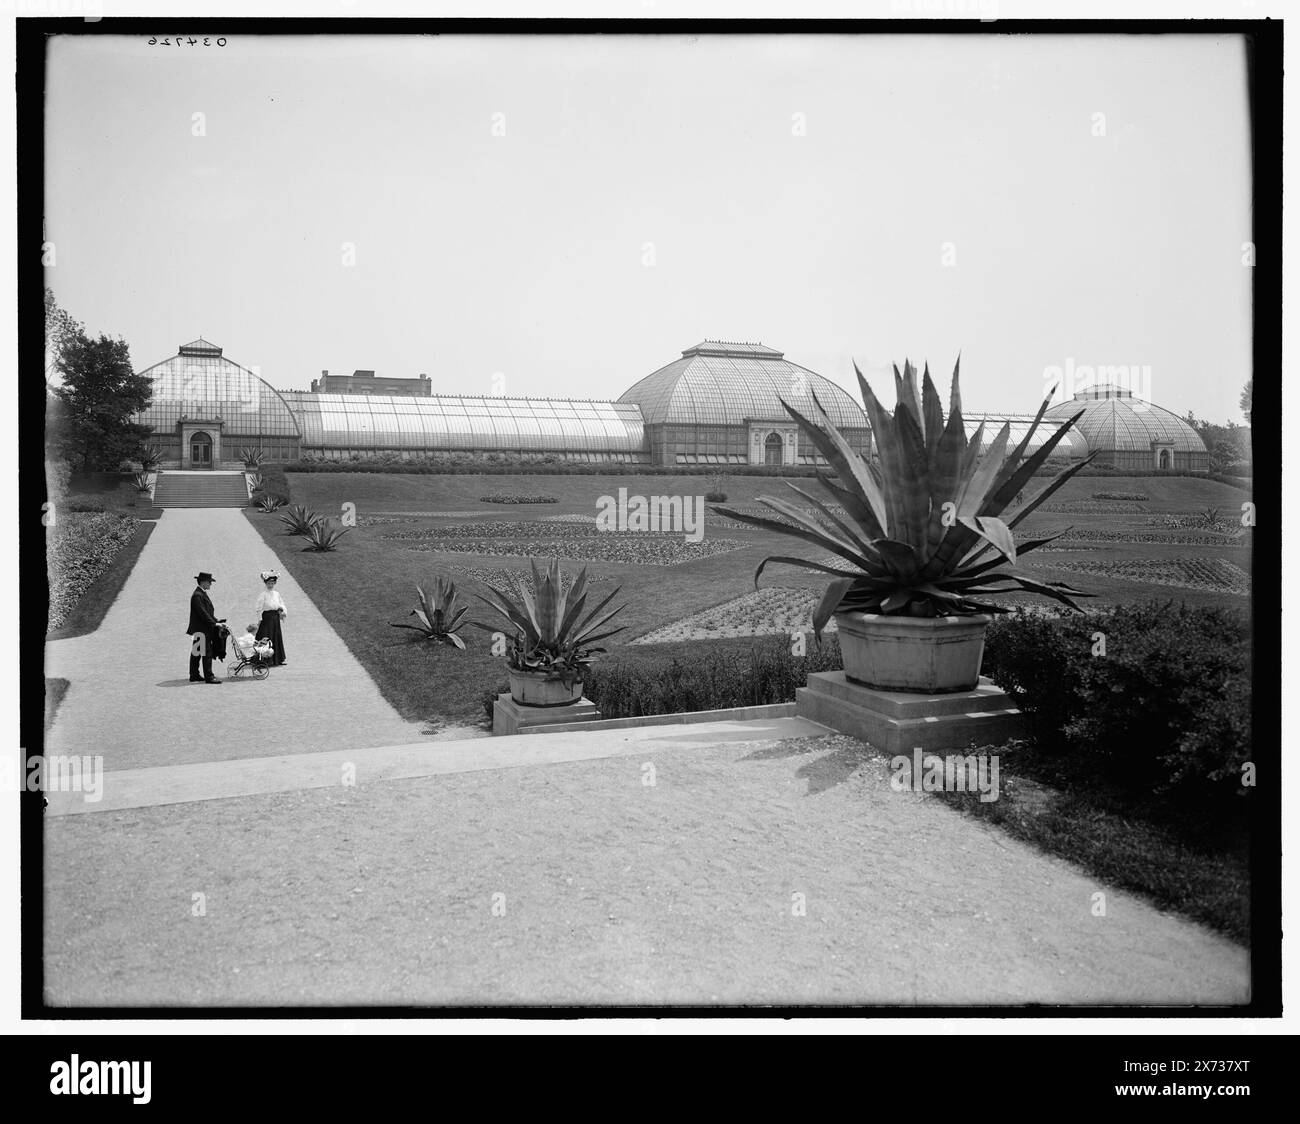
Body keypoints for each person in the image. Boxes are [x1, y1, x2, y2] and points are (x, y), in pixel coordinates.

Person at [186, 571, 225, 684]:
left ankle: (194, 675)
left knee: (197, 652)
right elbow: (203, 613)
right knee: (206, 653)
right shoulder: (197, 595)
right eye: (209, 582)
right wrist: (214, 623)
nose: (210, 584)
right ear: (203, 582)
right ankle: (209, 677)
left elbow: (207, 612)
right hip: (202, 629)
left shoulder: (200, 593)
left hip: (200, 628)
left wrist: (216, 621)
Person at [254, 569, 288, 667]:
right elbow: (258, 608)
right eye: (269, 583)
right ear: (266, 583)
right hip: (267, 619)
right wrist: (260, 619)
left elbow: (281, 603)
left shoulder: (277, 594)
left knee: (276, 637)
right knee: (266, 637)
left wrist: (282, 611)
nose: (271, 585)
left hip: (275, 618)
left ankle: (277, 659)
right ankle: (264, 660)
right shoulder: (263, 595)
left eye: (272, 583)